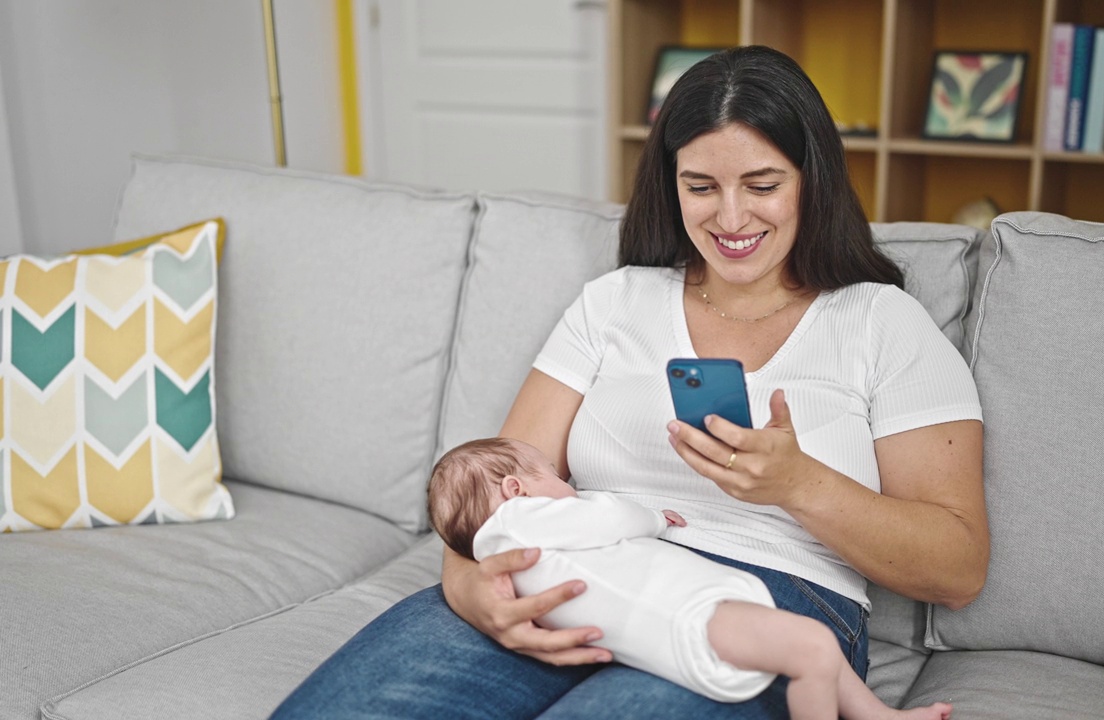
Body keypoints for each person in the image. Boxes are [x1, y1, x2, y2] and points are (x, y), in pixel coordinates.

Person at [272, 44, 987, 719]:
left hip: (768, 599)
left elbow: (957, 569)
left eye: (762, 185)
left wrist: (799, 484)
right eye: (700, 186)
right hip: (572, 569)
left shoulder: (880, 322)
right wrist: (470, 585)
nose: (731, 217)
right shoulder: (615, 301)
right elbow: (497, 480)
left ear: (812, 181)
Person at [427, 436, 953, 720]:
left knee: (809, 645)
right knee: (812, 649)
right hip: (687, 617)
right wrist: (654, 518)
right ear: (517, 490)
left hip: (665, 621)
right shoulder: (522, 522)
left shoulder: (513, 557)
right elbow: (608, 518)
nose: (564, 480)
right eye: (551, 474)